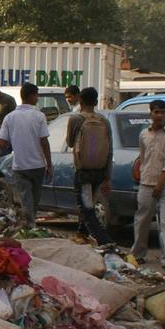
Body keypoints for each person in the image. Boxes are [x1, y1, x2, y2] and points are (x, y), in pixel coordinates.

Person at [130, 98, 165, 273]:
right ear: (151, 113)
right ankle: (138, 254)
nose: (159, 115)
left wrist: (160, 184)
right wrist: (142, 176)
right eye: (156, 112)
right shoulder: (144, 134)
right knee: (142, 220)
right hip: (146, 183)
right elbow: (143, 157)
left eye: (163, 112)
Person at [0, 80, 52, 218]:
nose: (37, 99)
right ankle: (30, 224)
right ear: (31, 96)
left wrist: (15, 144)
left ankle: (29, 223)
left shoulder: (9, 117)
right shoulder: (39, 116)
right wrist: (49, 164)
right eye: (36, 96)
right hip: (38, 166)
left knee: (26, 200)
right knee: (34, 200)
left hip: (20, 166)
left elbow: (1, 143)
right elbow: (44, 142)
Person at [69, 86, 114, 245]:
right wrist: (108, 177)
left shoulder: (75, 119)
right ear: (95, 102)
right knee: (89, 203)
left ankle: (105, 241)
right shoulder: (104, 121)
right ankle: (81, 234)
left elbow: (70, 142)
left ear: (80, 100)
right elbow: (110, 151)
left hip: (83, 172)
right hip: (100, 171)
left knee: (86, 208)